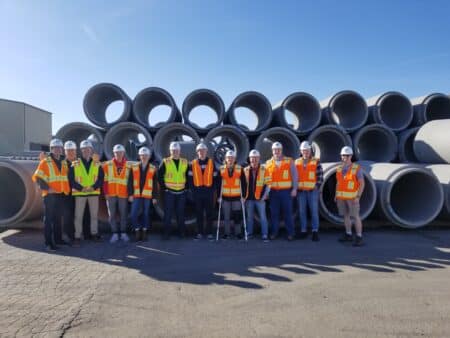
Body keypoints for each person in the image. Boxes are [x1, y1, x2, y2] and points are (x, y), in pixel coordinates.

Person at [32, 138, 71, 251]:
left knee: (58, 219)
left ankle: (58, 240)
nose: (58, 150)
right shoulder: (45, 162)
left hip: (60, 195)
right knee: (48, 220)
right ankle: (48, 243)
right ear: (51, 149)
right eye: (56, 148)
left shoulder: (63, 162)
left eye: (60, 148)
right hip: (49, 195)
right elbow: (39, 178)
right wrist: (47, 189)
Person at [69, 140, 104, 247]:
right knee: (78, 216)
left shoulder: (97, 163)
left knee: (94, 216)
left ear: (91, 150)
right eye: (84, 149)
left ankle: (94, 234)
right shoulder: (75, 163)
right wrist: (81, 188)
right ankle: (77, 236)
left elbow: (101, 178)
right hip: (80, 193)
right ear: (81, 150)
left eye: (88, 149)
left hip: (93, 193)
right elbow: (71, 179)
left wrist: (94, 187)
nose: (86, 151)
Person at [265, 142, 297, 241]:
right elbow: (266, 180)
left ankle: (291, 234)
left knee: (288, 213)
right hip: (273, 192)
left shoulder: (289, 161)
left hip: (286, 192)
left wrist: (294, 188)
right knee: (274, 214)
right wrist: (266, 192)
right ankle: (274, 233)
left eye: (278, 150)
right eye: (275, 150)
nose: (277, 151)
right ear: (272, 151)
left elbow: (295, 175)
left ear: (281, 150)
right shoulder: (268, 163)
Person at [335, 146, 365, 247]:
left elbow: (362, 183)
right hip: (341, 197)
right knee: (346, 216)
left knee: (355, 216)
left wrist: (358, 196)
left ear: (351, 156)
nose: (345, 157)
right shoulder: (339, 168)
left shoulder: (356, 168)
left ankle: (359, 237)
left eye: (347, 156)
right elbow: (338, 183)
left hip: (353, 198)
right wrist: (336, 194)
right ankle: (348, 234)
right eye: (343, 155)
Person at [158, 141, 188, 240]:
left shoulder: (185, 162)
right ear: (170, 151)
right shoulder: (165, 161)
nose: (175, 152)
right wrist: (164, 188)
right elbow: (159, 176)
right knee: (168, 214)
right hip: (169, 192)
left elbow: (188, 176)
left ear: (180, 151)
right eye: (173, 150)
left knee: (181, 213)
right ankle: (166, 233)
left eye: (176, 150)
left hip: (181, 192)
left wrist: (186, 188)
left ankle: (182, 233)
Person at [188, 142, 218, 240]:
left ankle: (209, 232)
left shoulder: (211, 162)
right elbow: (190, 179)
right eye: (200, 151)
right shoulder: (192, 163)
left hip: (208, 192)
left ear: (206, 152)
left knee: (209, 213)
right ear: (197, 152)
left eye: (203, 151)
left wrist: (212, 190)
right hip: (198, 192)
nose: (202, 152)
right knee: (199, 213)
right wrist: (193, 191)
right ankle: (199, 233)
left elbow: (215, 178)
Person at [295, 141, 323, 241]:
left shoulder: (316, 161)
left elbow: (320, 175)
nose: (305, 152)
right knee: (302, 211)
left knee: (314, 211)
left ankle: (315, 231)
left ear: (310, 151)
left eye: (307, 150)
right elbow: (294, 176)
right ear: (301, 151)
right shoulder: (297, 162)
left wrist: (317, 186)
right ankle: (304, 231)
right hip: (301, 191)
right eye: (303, 151)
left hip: (312, 191)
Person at [103, 144, 131, 243]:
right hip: (111, 194)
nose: (118, 154)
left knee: (124, 214)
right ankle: (114, 233)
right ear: (113, 153)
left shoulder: (128, 165)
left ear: (123, 153)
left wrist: (130, 194)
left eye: (120, 152)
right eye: (116, 153)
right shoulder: (107, 165)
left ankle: (123, 233)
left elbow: (130, 182)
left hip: (123, 194)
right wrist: (105, 193)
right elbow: (105, 181)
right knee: (112, 215)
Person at [129, 146, 157, 242]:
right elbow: (130, 182)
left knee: (146, 214)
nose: (144, 157)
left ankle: (144, 232)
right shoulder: (134, 167)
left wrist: (154, 197)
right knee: (133, 214)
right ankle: (137, 229)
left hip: (147, 195)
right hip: (136, 195)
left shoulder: (153, 168)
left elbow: (154, 185)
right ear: (139, 156)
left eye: (146, 155)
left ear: (149, 156)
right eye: (142, 155)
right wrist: (130, 194)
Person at [243, 149, 271, 241]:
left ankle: (265, 234)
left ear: (259, 158)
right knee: (249, 217)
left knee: (263, 217)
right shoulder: (245, 170)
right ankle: (249, 233)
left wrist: (265, 195)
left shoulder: (264, 169)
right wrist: (243, 197)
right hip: (249, 198)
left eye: (256, 158)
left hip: (260, 198)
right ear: (249, 159)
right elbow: (242, 185)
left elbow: (268, 183)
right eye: (252, 158)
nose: (254, 160)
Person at [218, 150, 246, 240]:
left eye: (232, 158)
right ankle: (227, 233)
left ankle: (238, 233)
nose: (230, 159)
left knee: (237, 216)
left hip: (237, 197)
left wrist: (244, 196)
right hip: (225, 197)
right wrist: (219, 197)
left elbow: (244, 184)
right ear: (225, 159)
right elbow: (218, 185)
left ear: (234, 159)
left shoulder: (239, 169)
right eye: (228, 158)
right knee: (226, 217)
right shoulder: (221, 169)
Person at [62, 140, 77, 243]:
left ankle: (77, 234)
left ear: (75, 151)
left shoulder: (79, 163)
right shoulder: (61, 164)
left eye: (72, 150)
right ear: (65, 152)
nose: (71, 152)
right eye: (68, 150)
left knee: (78, 214)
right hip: (66, 194)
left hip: (78, 193)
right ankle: (68, 235)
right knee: (67, 215)